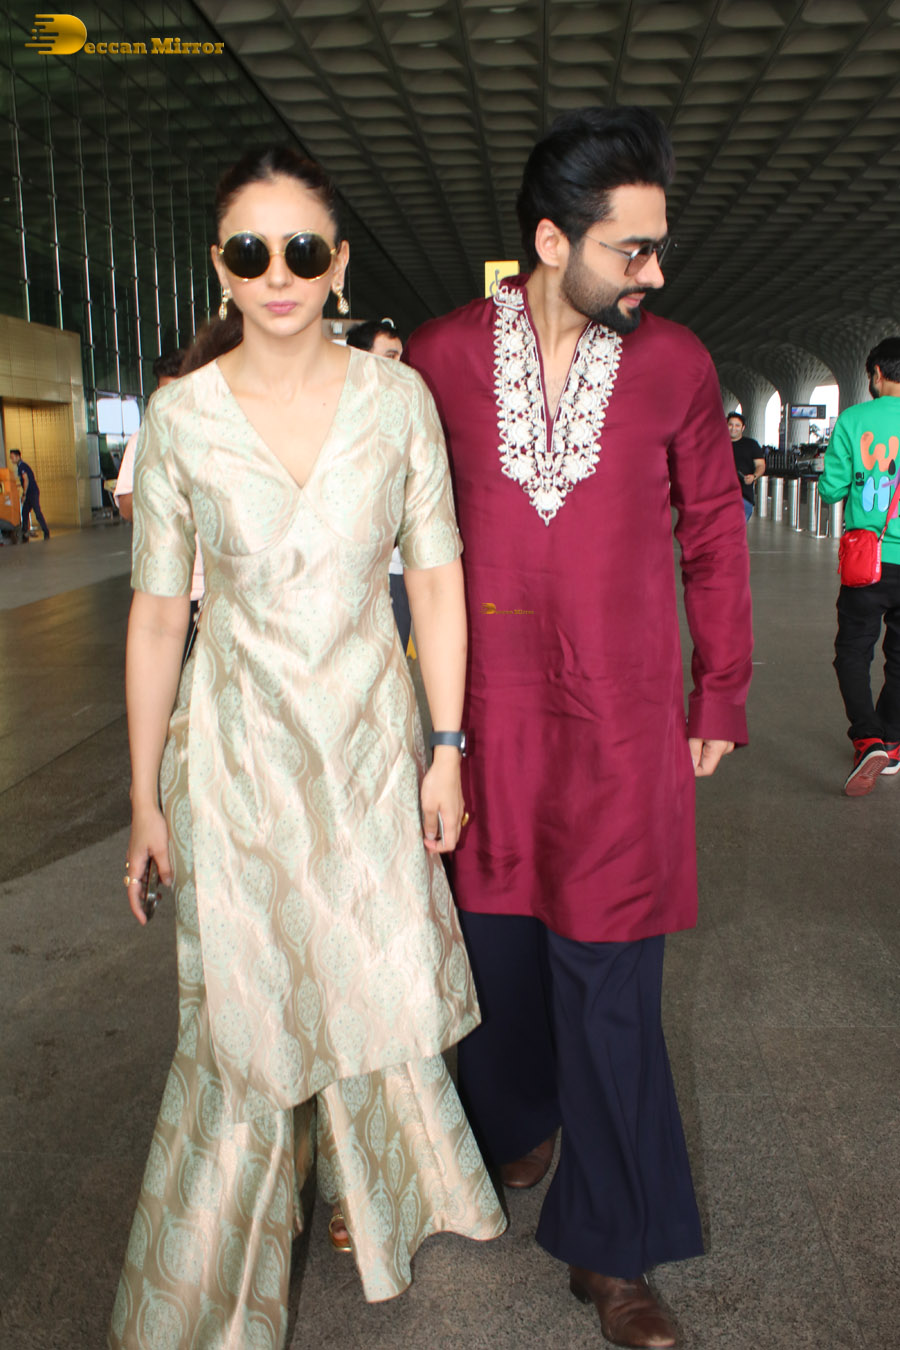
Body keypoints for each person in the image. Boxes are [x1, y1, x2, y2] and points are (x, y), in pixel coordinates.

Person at [110, 145, 503, 1350]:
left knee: (367, 979)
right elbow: (158, 616)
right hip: (233, 758)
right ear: (220, 267)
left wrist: (446, 747)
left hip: (370, 751)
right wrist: (144, 799)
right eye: (250, 251)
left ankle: (369, 1194)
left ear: (337, 264)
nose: (276, 274)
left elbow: (438, 582)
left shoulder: (396, 403)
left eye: (300, 250)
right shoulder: (180, 418)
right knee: (241, 1020)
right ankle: (213, 1292)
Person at [405, 106, 753, 1350]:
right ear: (552, 241)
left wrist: (721, 688)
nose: (654, 271)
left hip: (619, 730)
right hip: (482, 727)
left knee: (610, 982)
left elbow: (712, 531)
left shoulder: (676, 366)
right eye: (631, 249)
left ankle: (612, 1251)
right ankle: (513, 1124)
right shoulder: (441, 359)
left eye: (658, 246)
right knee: (495, 962)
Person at [818, 336, 900, 795]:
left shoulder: (853, 419)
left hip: (869, 560)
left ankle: (868, 737)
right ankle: (893, 740)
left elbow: (831, 489)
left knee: (853, 650)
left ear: (877, 374)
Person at [345, 318, 412, 648]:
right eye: (389, 357)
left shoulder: (407, 415)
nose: (399, 367)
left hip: (394, 571)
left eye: (400, 357)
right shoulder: (335, 416)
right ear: (361, 358)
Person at [726, 410, 766, 522]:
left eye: (737, 425)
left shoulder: (751, 444)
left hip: (743, 497)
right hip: (720, 497)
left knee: (735, 529)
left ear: (743, 428)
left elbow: (761, 465)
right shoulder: (718, 444)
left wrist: (754, 476)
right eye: (730, 425)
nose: (733, 428)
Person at [9, 449, 50, 541]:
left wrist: (24, 494)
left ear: (17, 456)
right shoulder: (20, 466)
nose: (11, 460)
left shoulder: (22, 466)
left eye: (12, 457)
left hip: (32, 492)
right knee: (24, 511)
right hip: (29, 492)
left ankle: (46, 531)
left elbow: (26, 479)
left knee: (37, 512)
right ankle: (25, 532)